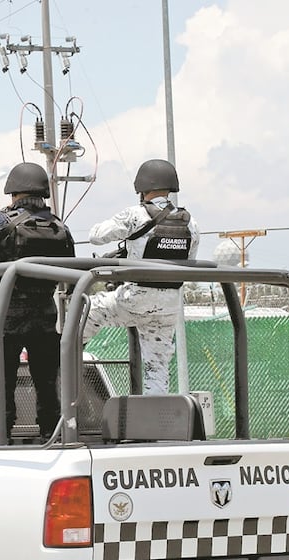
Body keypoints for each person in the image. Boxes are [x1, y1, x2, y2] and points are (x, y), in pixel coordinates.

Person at [0, 162, 76, 441]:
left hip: (10, 308)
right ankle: (51, 434)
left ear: (13, 192)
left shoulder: (7, 221)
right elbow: (72, 265)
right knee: (47, 379)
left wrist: (2, 216)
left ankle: (1, 434)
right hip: (45, 310)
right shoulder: (58, 226)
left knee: (2, 378)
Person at [85, 158, 200, 394]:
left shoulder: (135, 215)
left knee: (88, 308)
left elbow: (95, 235)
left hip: (136, 298)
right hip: (169, 305)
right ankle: (156, 423)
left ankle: (67, 359)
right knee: (157, 369)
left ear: (142, 187)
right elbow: (189, 260)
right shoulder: (190, 223)